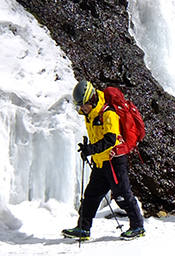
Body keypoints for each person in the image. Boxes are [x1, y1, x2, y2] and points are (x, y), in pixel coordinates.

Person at [62, 81, 145, 240]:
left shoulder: (108, 114)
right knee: (91, 197)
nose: (81, 108)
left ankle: (138, 226)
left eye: (83, 104)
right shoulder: (90, 114)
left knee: (122, 196)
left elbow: (110, 139)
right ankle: (83, 229)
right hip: (100, 162)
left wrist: (91, 149)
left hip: (114, 161)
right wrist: (88, 150)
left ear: (91, 99)